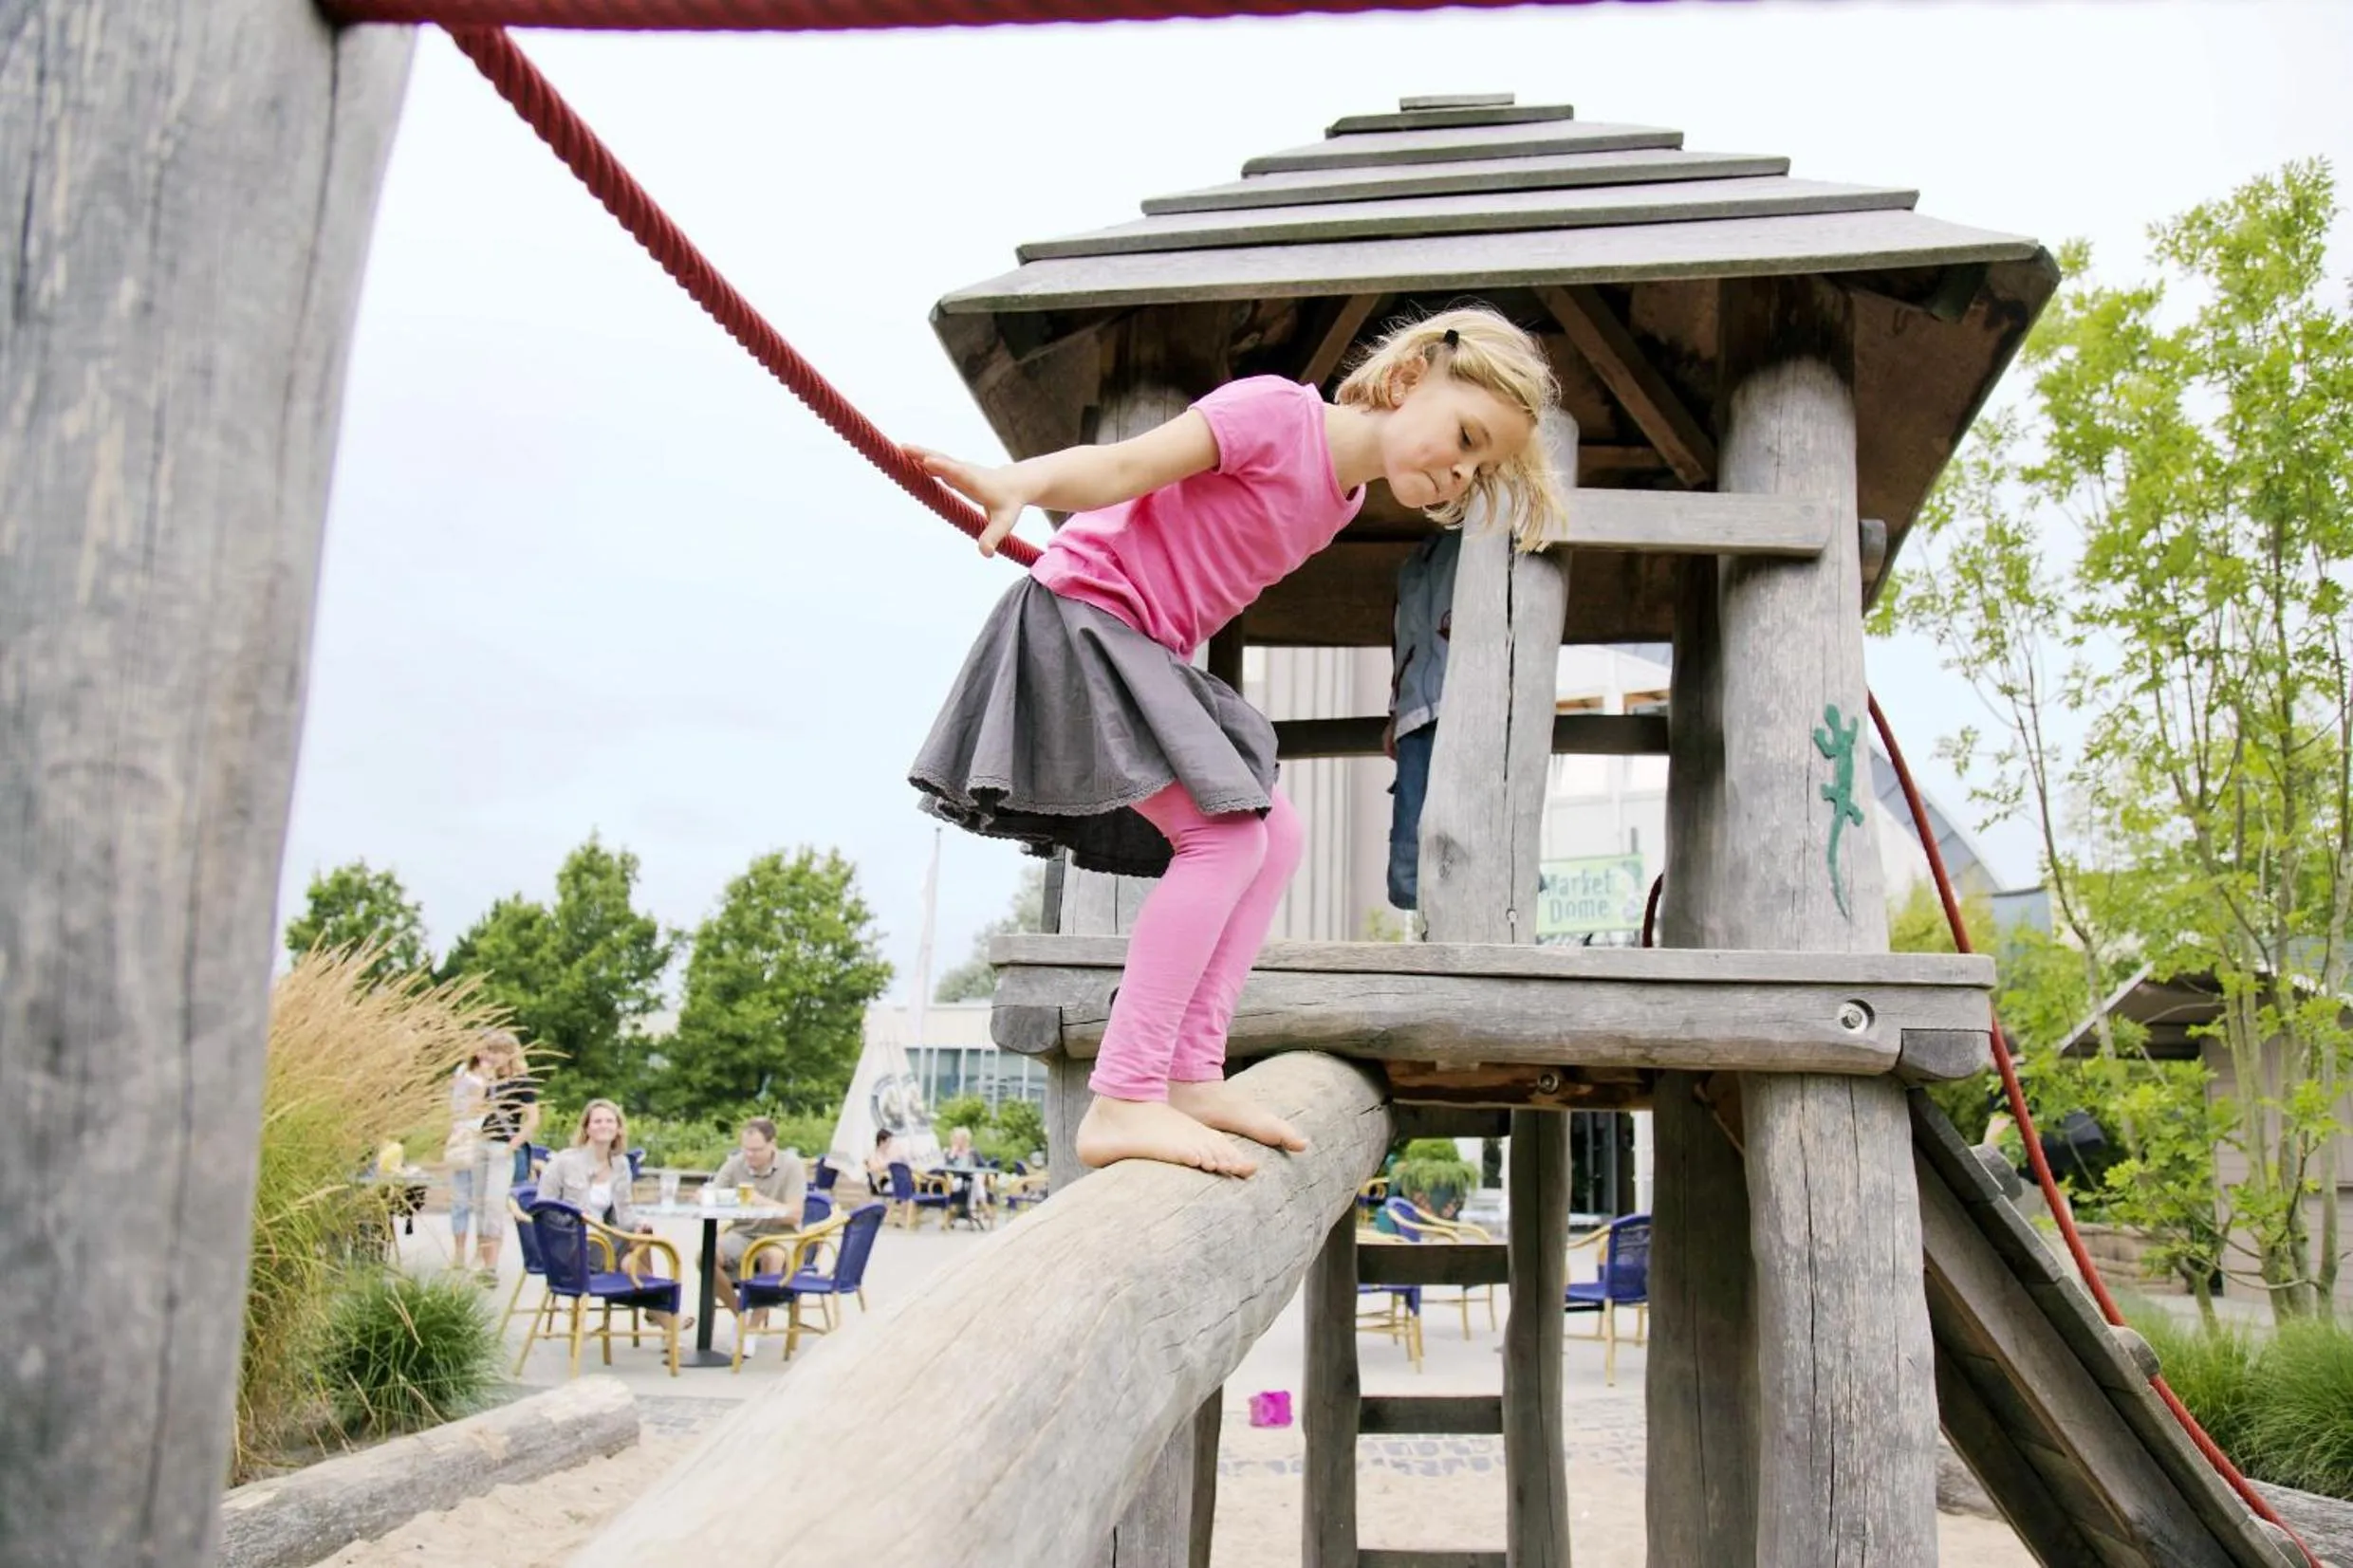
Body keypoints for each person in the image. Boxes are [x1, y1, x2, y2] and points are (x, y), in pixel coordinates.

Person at [908, 306, 1563, 1176]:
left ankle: (1190, 1068)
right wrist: (1021, 482)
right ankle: (1125, 1091)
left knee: (1275, 834)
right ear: (1409, 380)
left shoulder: (1341, 501)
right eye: (1467, 435)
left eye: (1480, 467)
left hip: (1143, 642)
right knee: (1222, 837)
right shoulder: (1274, 415)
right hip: (1086, 618)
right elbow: (1127, 465)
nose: (1460, 469)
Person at [533, 1098, 687, 1331]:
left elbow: (624, 1212)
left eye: (609, 1121)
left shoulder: (621, 1164)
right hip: (574, 1245)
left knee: (642, 1236)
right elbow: (543, 1208)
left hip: (604, 1243)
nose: (603, 1125)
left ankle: (661, 1316)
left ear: (618, 1128)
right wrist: (576, 1219)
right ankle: (664, 1316)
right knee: (631, 1255)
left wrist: (638, 1224)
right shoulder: (564, 1162)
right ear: (586, 1128)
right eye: (597, 1121)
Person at [1382, 526, 1462, 913]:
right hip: (1417, 714)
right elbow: (1405, 640)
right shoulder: (1416, 561)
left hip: (1466, 709)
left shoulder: (1488, 545)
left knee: (1469, 846)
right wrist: (1395, 712)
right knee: (1407, 872)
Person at [711, 1118, 807, 1324]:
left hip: (781, 1234)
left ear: (773, 1144)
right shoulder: (735, 1164)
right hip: (742, 1233)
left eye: (756, 1150)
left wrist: (759, 1201)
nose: (750, 1155)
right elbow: (713, 1195)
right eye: (746, 1149)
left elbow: (795, 1214)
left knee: (771, 1255)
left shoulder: (791, 1166)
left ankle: (753, 1329)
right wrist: (706, 1196)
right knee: (707, 1255)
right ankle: (740, 1314)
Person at [467, 1030, 540, 1284]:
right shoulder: (490, 1081)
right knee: (480, 1204)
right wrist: (485, 1081)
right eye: (491, 1051)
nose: (494, 1057)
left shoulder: (523, 1082)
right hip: (482, 1143)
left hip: (501, 1147)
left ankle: (491, 1266)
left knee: (494, 1204)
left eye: (498, 1052)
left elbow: (532, 1119)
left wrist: (513, 1145)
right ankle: (482, 1257)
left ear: (510, 1054)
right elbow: (475, 1109)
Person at [445, 1044, 492, 1257]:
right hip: (465, 1136)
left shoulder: (490, 1075)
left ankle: (478, 1252)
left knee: (480, 1199)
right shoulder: (465, 1073)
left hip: (482, 1137)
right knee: (461, 1198)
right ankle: (460, 1251)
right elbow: (469, 1104)